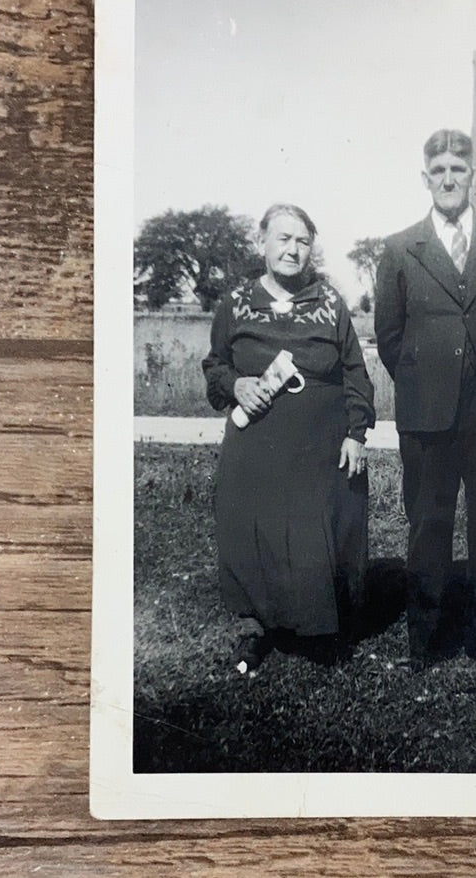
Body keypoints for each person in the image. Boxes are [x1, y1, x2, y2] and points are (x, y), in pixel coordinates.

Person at [375, 129, 476, 669]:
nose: (448, 179)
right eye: (439, 170)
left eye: (458, 170)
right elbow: (390, 336)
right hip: (427, 412)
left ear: (473, 176)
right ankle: (428, 636)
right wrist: (426, 382)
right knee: (427, 522)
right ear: (426, 178)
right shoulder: (401, 248)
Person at [203, 203, 375, 672]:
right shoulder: (236, 303)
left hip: (319, 446)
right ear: (262, 243)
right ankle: (257, 629)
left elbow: (356, 372)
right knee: (254, 530)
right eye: (283, 238)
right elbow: (215, 364)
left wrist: (356, 432)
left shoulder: (330, 303)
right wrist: (236, 385)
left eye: (302, 241)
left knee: (313, 528)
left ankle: (318, 625)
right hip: (256, 444)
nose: (292, 249)